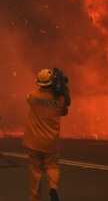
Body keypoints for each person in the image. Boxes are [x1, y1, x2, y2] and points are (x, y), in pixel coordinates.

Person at [24, 68, 69, 201]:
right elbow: (64, 111)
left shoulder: (33, 96)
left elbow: (28, 99)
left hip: (34, 140)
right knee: (52, 166)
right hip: (51, 141)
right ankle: (53, 188)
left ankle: (35, 198)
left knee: (35, 170)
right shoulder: (60, 99)